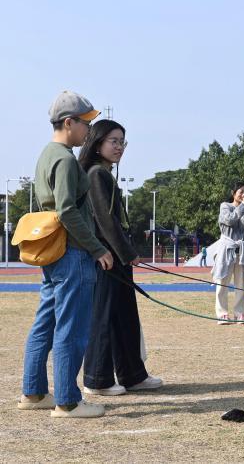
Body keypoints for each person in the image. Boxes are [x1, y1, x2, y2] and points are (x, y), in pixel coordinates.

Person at [19, 91, 113, 419]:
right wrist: (98, 248)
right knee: (71, 328)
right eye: (86, 123)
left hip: (55, 252)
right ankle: (68, 401)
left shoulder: (47, 154)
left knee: (45, 321)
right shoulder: (64, 158)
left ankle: (33, 392)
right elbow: (67, 211)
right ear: (68, 122)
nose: (89, 129)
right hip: (72, 252)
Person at [78, 119, 162, 396]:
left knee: (125, 315)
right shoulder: (95, 174)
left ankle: (132, 375)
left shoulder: (104, 172)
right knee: (104, 317)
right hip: (107, 258)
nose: (119, 147)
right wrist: (128, 254)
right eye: (113, 141)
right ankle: (97, 380)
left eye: (122, 142)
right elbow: (105, 221)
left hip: (117, 256)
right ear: (97, 142)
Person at [211, 182, 244, 324]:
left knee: (240, 283)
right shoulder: (225, 206)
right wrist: (243, 206)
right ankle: (222, 314)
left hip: (242, 250)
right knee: (222, 281)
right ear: (234, 193)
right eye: (241, 191)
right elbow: (230, 220)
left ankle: (240, 313)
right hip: (227, 248)